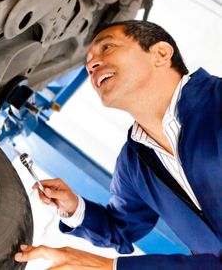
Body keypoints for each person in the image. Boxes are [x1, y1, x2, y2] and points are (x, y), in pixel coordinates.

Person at [14, 20, 222, 269]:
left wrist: (103, 266)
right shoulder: (134, 161)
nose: (91, 65)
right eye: (87, 64)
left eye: (107, 48)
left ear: (160, 54)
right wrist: (74, 207)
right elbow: (121, 228)